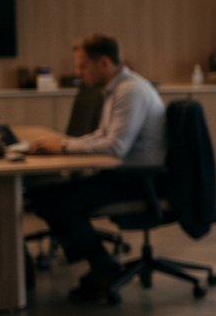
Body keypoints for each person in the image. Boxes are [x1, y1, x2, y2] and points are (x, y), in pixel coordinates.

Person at [27, 34, 168, 302]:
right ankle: (100, 263)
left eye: (82, 67)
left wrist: (65, 147)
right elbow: (101, 135)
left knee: (53, 201)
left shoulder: (130, 91)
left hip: (138, 179)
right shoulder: (117, 89)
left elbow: (115, 147)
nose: (78, 74)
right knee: (46, 196)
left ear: (103, 63)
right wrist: (65, 143)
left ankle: (102, 267)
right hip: (125, 175)